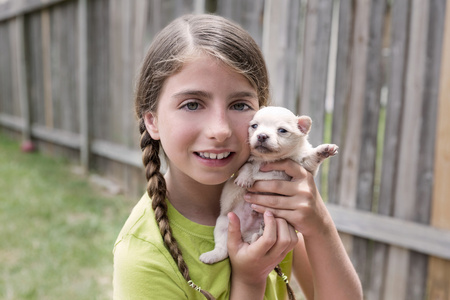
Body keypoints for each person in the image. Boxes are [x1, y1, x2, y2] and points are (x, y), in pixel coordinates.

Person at [113, 14, 362, 300]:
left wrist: (319, 223)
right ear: (153, 121)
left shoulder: (276, 199)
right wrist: (249, 281)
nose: (220, 130)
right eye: (192, 104)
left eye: (240, 104)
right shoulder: (143, 257)